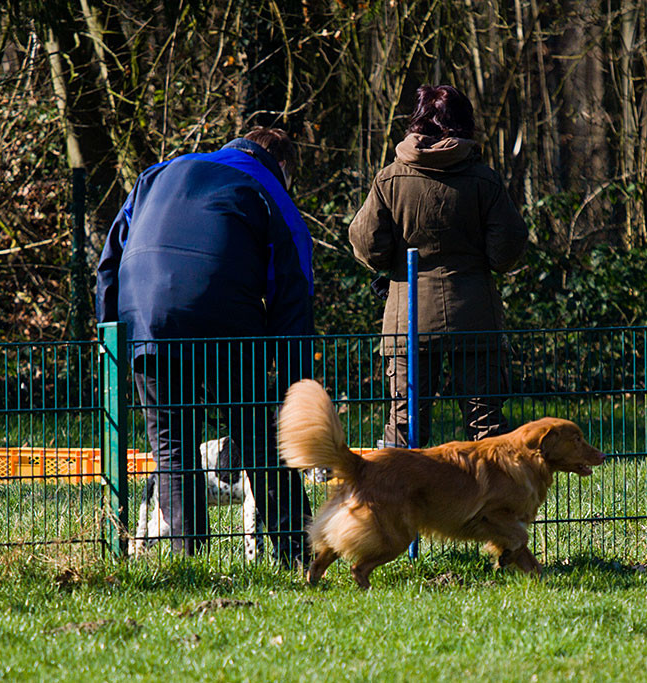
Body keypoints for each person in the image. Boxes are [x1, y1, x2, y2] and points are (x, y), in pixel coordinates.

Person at [96, 127, 313, 566]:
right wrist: (296, 385)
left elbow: (109, 262)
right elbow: (294, 289)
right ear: (284, 167)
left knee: (173, 445)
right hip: (225, 320)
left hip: (147, 321)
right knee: (258, 436)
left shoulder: (156, 173)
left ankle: (188, 564)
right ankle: (297, 553)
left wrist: (110, 337)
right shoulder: (268, 187)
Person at [349, 85, 528, 447]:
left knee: (406, 424)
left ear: (417, 120)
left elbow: (368, 244)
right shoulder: (485, 180)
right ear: (464, 123)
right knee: (487, 427)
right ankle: (494, 503)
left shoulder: (389, 178)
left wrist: (393, 261)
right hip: (475, 314)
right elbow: (507, 250)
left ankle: (398, 501)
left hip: (408, 314)